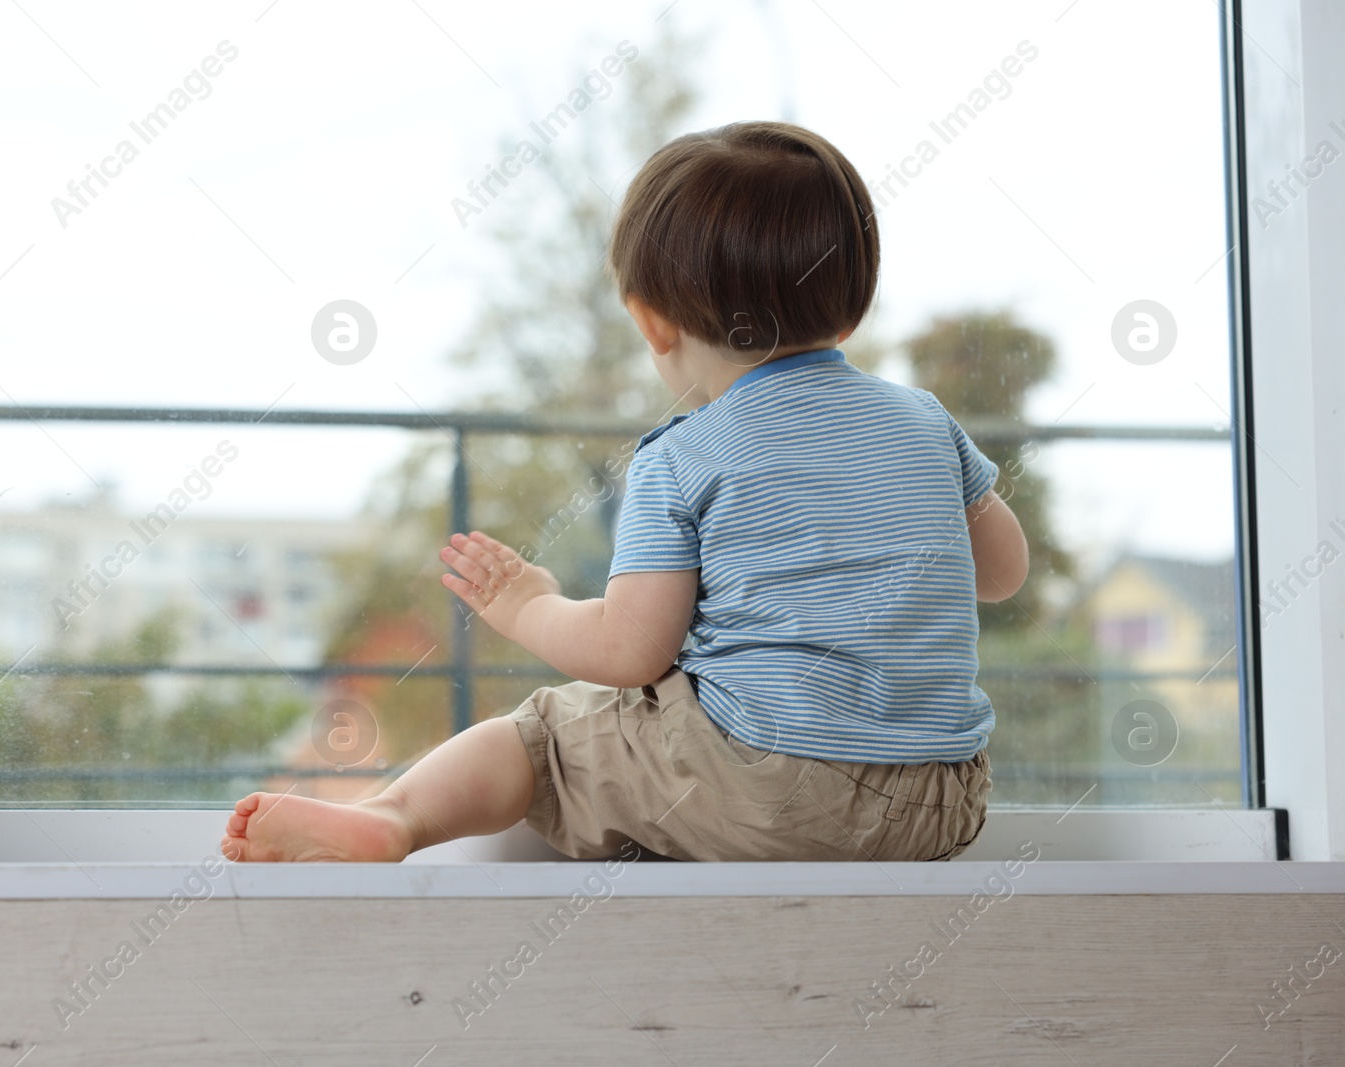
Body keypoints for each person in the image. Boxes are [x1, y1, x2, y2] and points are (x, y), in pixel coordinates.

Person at [221, 120, 1028, 864]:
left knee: (550, 734)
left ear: (653, 323)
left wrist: (527, 604)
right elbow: (1002, 572)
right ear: (850, 309)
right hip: (939, 800)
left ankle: (394, 817)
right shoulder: (924, 421)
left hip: (771, 795)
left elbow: (631, 652)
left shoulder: (682, 456)